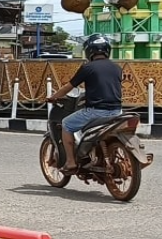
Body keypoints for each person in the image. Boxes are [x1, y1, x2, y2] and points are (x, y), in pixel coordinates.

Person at [47, 34, 123, 172]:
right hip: (117, 111)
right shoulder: (117, 68)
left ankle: (70, 162)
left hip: (97, 111)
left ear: (89, 50)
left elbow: (68, 87)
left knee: (67, 124)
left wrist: (53, 97)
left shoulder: (88, 68)